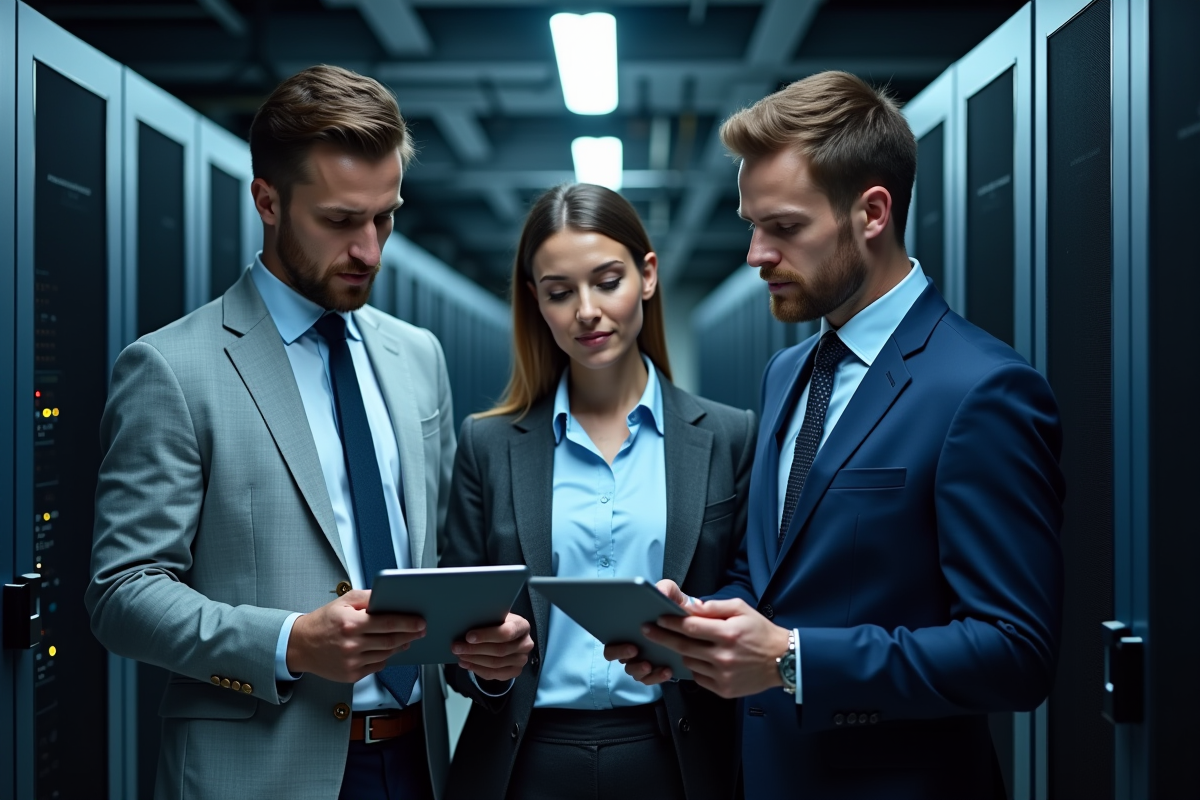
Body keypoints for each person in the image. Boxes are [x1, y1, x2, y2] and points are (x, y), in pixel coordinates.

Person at [607, 71, 1066, 799]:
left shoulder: (982, 389)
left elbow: (1015, 653)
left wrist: (794, 659)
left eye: (784, 228)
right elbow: (773, 578)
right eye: (751, 225)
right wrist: (697, 630)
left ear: (872, 212)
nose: (757, 254)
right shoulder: (787, 374)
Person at [85, 65, 530, 800]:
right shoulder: (172, 367)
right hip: (260, 772)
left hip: (421, 763)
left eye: (385, 216)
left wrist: (481, 651)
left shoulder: (417, 355)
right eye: (339, 220)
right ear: (267, 201)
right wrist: (290, 642)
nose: (370, 251)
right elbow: (122, 594)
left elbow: (443, 560)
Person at [439, 183, 757, 800]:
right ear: (536, 302)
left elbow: (749, 595)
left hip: (681, 757)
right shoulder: (487, 444)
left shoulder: (728, 434)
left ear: (648, 276)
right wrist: (487, 665)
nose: (586, 310)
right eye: (560, 293)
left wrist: (694, 627)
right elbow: (456, 636)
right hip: (523, 761)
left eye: (606, 281)